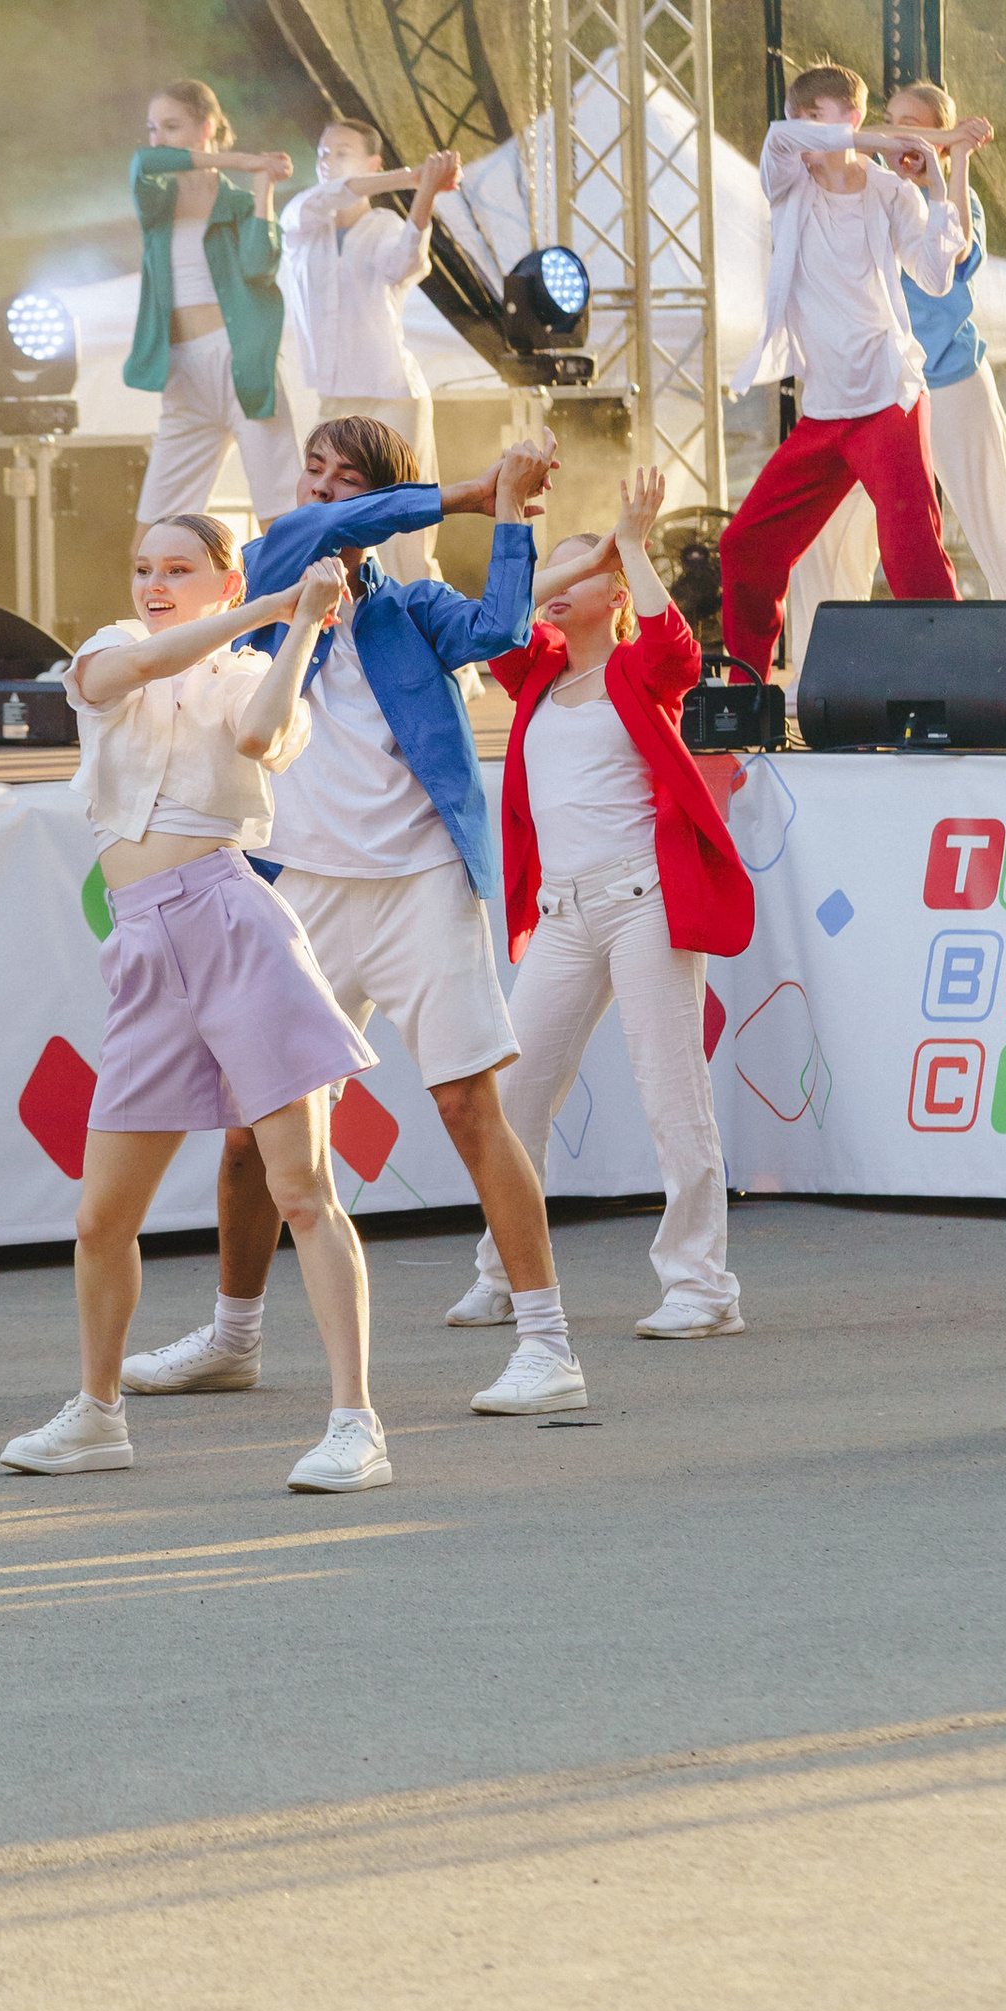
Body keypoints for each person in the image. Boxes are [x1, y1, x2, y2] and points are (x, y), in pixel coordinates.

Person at [122, 415, 588, 1424]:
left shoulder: (412, 608)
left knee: (470, 1107)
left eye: (350, 483)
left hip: (422, 882)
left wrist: (507, 515)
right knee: (254, 1134)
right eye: (315, 475)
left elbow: (506, 630)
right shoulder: (263, 580)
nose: (325, 493)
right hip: (304, 896)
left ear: (379, 507)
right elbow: (311, 535)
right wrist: (470, 489)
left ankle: (547, 1345)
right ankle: (233, 1339)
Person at [3, 517, 390, 1492]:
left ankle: (355, 1424)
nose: (153, 584)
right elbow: (117, 676)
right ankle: (97, 1415)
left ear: (220, 578)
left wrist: (299, 627)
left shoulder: (246, 679)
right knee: (101, 1220)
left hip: (230, 924)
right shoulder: (110, 650)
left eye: (177, 570)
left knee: (300, 1188)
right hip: (141, 945)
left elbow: (264, 733)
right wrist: (268, 606)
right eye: (142, 568)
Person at [480, 466, 755, 1336]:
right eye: (559, 569)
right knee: (513, 1095)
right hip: (561, 914)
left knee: (673, 1094)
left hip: (645, 901)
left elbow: (677, 648)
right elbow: (494, 623)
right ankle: (504, 1273)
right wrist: (521, 531)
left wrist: (630, 543)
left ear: (618, 592)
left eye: (586, 568)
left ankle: (701, 1288)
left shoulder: (644, 669)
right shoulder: (535, 674)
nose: (564, 583)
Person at [722, 59, 970, 677]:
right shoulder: (788, 180)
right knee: (747, 547)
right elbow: (786, 140)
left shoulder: (891, 192)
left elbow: (938, 275)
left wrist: (941, 175)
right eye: (797, 116)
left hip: (889, 397)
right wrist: (907, 140)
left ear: (850, 113)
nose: (801, 129)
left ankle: (958, 684)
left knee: (912, 556)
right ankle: (747, 687)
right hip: (826, 411)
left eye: (814, 115)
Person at [802, 76, 1006, 614]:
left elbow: (956, 254)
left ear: (936, 139)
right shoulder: (867, 193)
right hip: (880, 392)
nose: (896, 136)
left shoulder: (962, 199)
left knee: (992, 520)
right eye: (891, 123)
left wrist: (957, 158)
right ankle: (828, 660)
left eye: (910, 126)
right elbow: (843, 139)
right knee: (831, 529)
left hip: (951, 378)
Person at [277, 125, 458, 578]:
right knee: (334, 528)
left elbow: (405, 264)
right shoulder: (301, 219)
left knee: (405, 529)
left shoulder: (384, 226)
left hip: (392, 393)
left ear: (373, 163)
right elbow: (329, 195)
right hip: (336, 401)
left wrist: (426, 192)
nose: (328, 160)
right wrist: (414, 176)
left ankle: (430, 638)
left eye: (343, 152)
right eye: (323, 151)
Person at [126, 79, 304, 531]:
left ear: (206, 127)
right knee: (152, 536)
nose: (158, 138)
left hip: (239, 363)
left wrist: (262, 187)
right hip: (183, 375)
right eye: (153, 127)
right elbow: (143, 163)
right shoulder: (157, 203)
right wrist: (244, 159)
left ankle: (309, 601)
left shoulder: (239, 204)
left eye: (171, 125)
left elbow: (260, 267)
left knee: (280, 524)